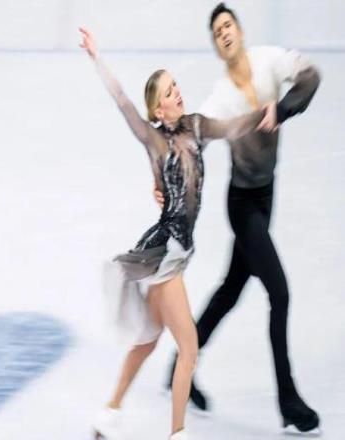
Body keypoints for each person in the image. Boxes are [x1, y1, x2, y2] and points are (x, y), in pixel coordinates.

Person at [79, 26, 267, 440]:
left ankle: (108, 414)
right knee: (189, 350)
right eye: (168, 92)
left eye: (176, 85)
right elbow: (123, 102)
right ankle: (177, 433)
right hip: (167, 253)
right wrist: (96, 57)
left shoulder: (196, 126)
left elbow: (230, 127)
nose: (177, 93)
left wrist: (264, 114)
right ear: (157, 109)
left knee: (148, 340)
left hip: (177, 248)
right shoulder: (156, 142)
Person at [159, 3, 321, 433]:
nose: (224, 33)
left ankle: (179, 366)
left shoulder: (269, 60)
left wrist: (281, 109)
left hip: (267, 197)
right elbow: (191, 143)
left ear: (241, 32)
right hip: (244, 205)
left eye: (228, 25)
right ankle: (289, 401)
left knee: (230, 290)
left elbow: (311, 78)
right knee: (279, 294)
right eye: (217, 32)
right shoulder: (220, 100)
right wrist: (166, 180)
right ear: (217, 47)